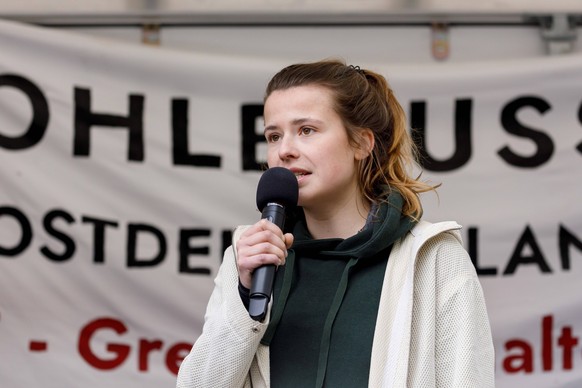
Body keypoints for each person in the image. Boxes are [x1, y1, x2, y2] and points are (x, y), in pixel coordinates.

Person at [176, 59, 494, 387]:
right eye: (273, 136)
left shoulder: (432, 256)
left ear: (361, 143)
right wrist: (244, 295)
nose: (284, 151)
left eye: (306, 130)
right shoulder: (252, 255)